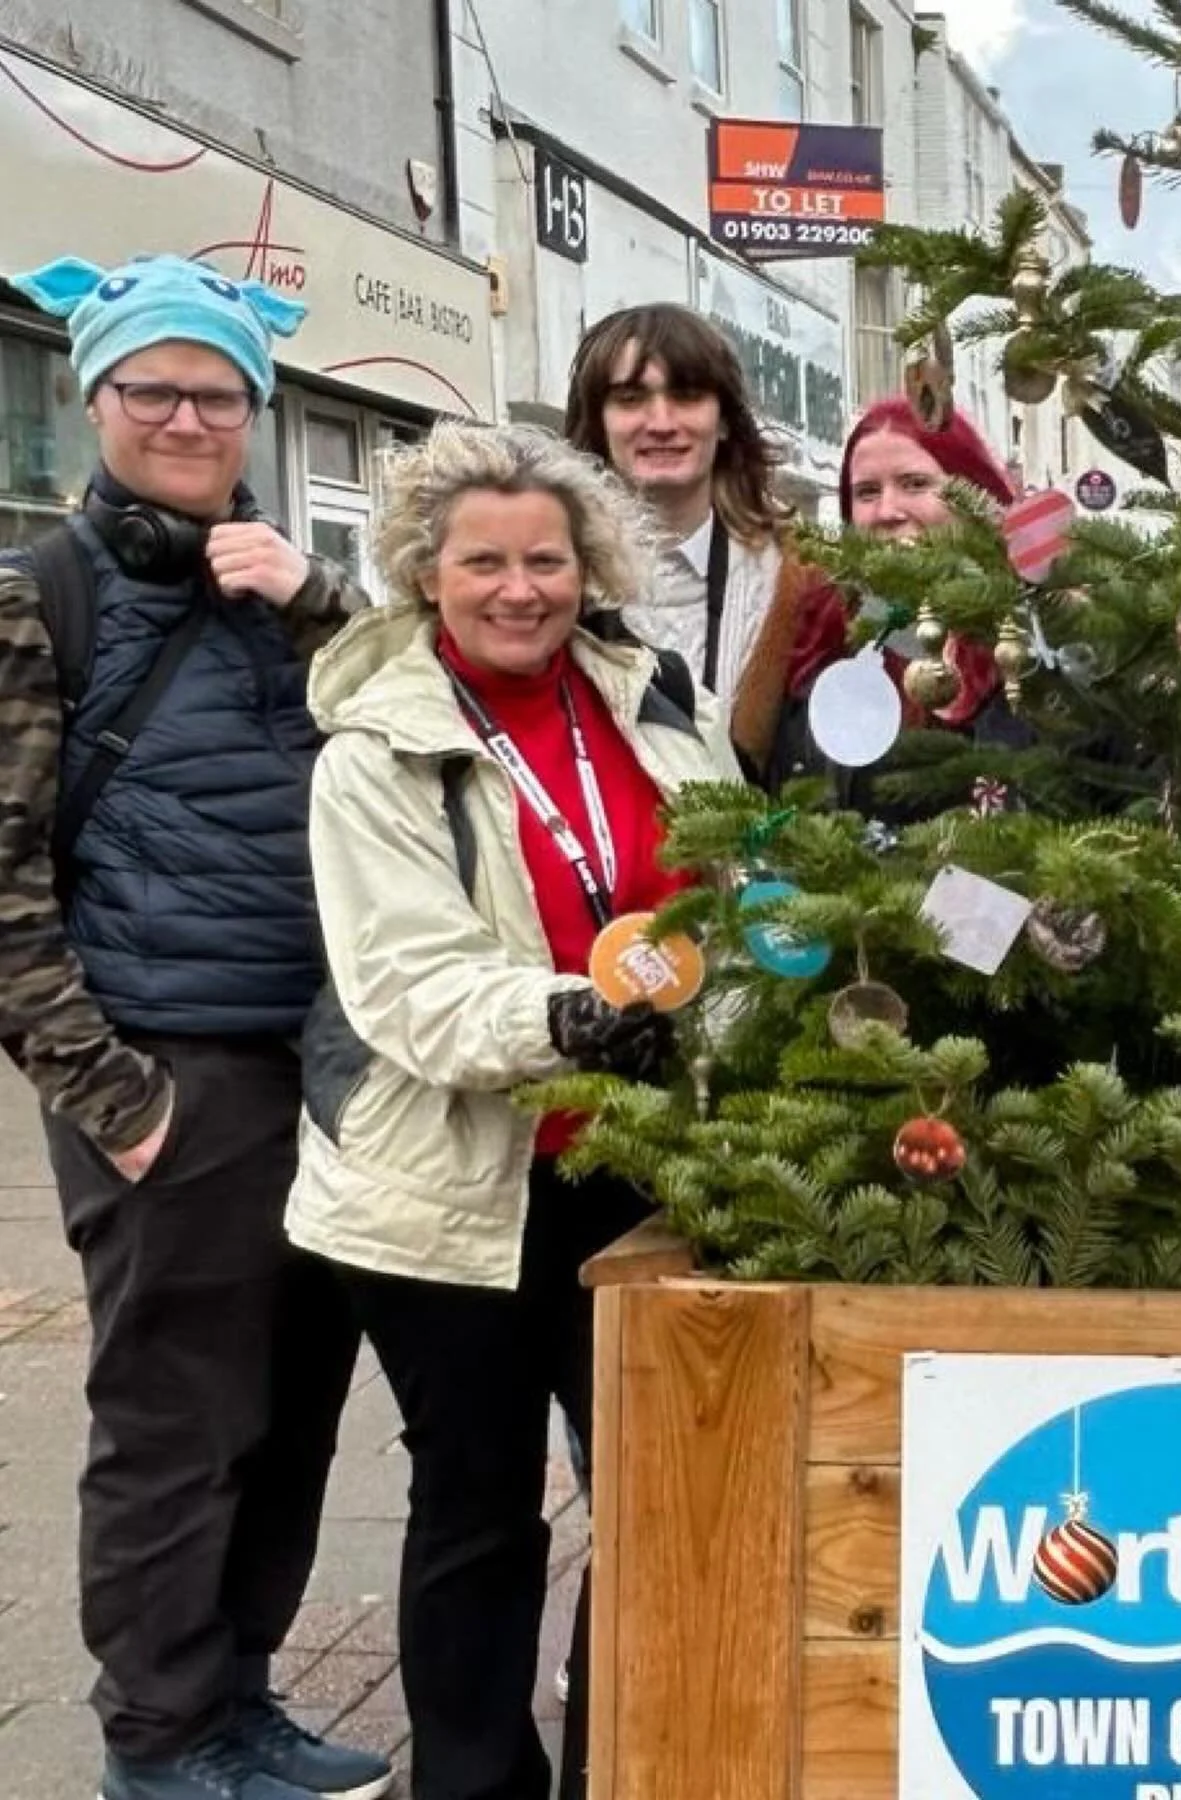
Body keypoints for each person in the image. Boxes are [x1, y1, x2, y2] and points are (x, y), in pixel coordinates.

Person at [284, 420, 740, 1800]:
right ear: (429, 572)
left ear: (584, 561)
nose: (518, 588)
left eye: (545, 558)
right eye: (484, 562)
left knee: (656, 1497)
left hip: (633, 1166)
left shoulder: (649, 697)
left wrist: (718, 1014)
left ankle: (628, 1763)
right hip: (446, 1188)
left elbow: (728, 886)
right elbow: (409, 987)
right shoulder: (372, 749)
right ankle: (477, 1787)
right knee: (477, 1509)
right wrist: (578, 1017)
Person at [0, 254, 391, 1800]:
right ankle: (156, 1744)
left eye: (215, 393)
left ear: (254, 412)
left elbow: (416, 721)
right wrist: (114, 1094)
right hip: (170, 1075)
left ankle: (238, 1703)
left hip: (318, 1070)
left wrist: (324, 603)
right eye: (152, 388)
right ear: (95, 400)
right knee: (175, 1425)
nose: (185, 415)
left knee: (292, 1413)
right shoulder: (43, 602)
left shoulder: (275, 593)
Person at [562, 301, 812, 770]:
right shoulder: (551, 578)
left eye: (687, 396)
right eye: (631, 398)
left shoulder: (797, 582)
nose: (660, 423)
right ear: (598, 421)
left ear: (723, 421)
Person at [754, 394, 1021, 789]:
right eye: (866, 492)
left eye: (915, 484)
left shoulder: (1033, 632)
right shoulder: (817, 640)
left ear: (973, 495)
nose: (887, 512)